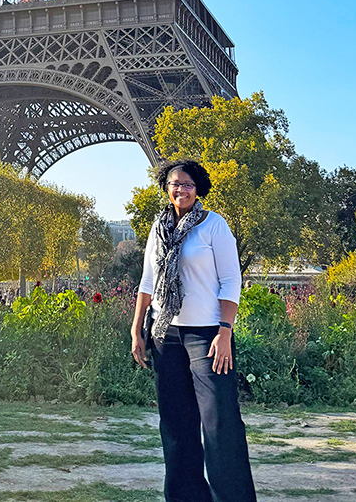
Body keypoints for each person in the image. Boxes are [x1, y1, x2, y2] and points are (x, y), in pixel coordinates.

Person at [131, 158, 256, 502]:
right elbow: (147, 281)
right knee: (176, 426)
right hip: (165, 334)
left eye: (187, 184)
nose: (180, 189)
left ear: (198, 188)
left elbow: (231, 280)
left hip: (207, 335)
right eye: (174, 183)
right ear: (166, 188)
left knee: (220, 424)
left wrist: (225, 331)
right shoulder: (157, 229)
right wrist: (136, 327)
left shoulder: (214, 226)